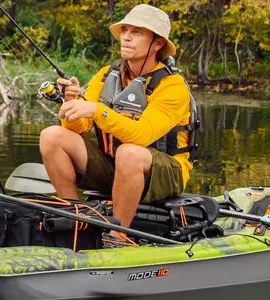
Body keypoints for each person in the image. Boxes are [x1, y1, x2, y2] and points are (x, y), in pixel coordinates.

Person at [37, 4, 195, 231]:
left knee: (129, 152)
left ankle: (118, 235)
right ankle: (77, 220)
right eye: (125, 30)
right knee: (52, 136)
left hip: (166, 173)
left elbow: (141, 135)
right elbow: (79, 127)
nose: (126, 37)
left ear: (157, 44)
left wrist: (96, 110)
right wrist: (71, 103)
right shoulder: (106, 74)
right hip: (115, 164)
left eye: (137, 32)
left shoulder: (172, 86)